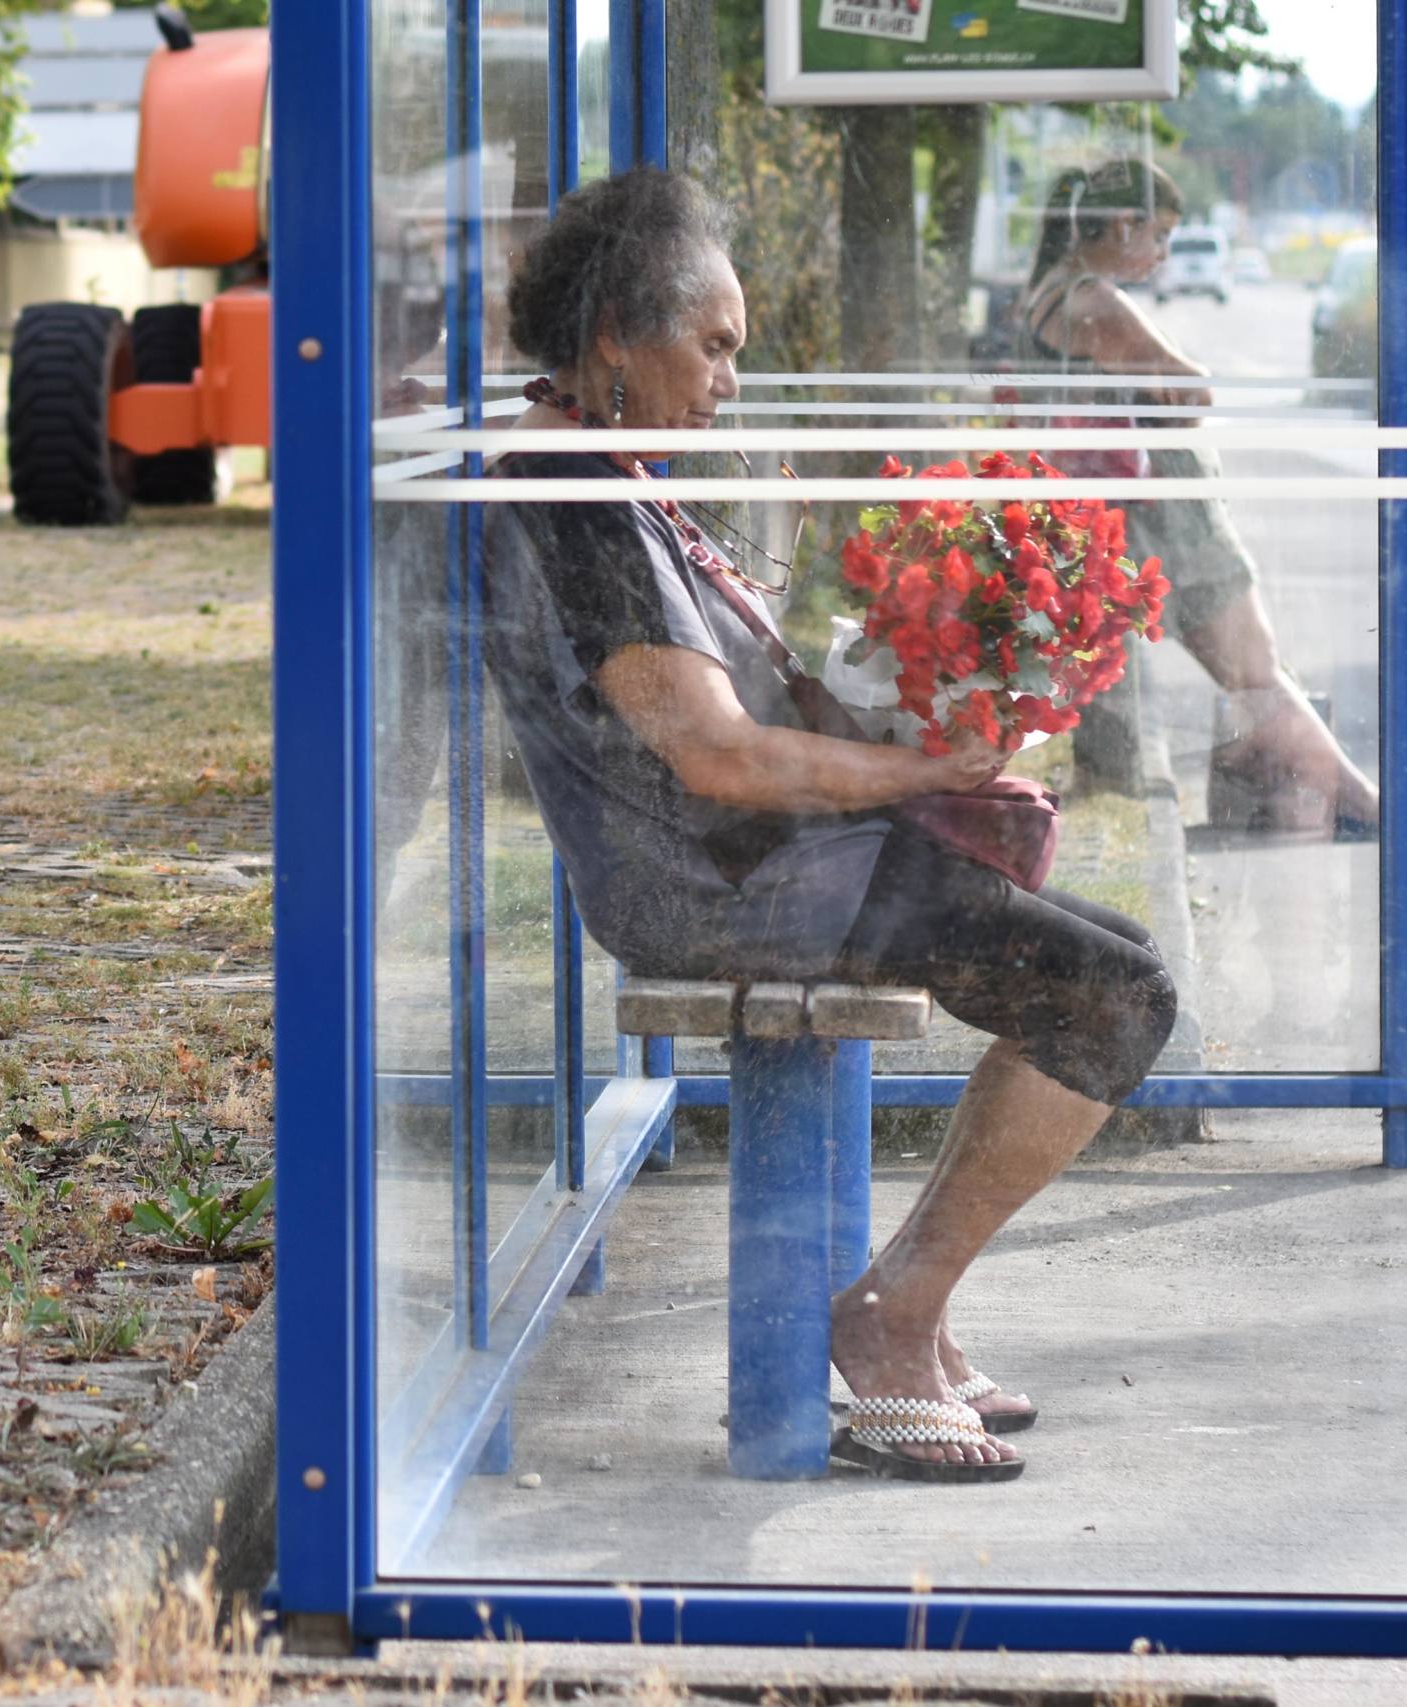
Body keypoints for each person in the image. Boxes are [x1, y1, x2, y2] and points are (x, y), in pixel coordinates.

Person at [484, 167, 1178, 1483]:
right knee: (1117, 996)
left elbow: (731, 702)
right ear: (617, 336)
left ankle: (906, 1299)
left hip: (764, 859)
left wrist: (902, 703)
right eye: (716, 343)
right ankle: (891, 1315)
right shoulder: (574, 492)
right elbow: (714, 752)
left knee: (1108, 961)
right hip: (724, 879)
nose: (731, 378)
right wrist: (919, 763)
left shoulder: (596, 462)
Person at [1015, 158, 1378, 834]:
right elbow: (1192, 388)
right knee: (1258, 673)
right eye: (1159, 236)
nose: (1162, 255)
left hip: (1120, 511)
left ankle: (1326, 798)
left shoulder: (1047, 292)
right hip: (1169, 516)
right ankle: (1365, 807)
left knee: (1251, 676)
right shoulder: (1096, 300)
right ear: (1122, 224)